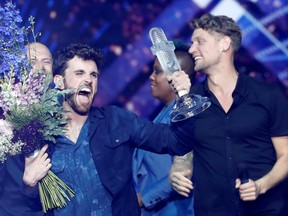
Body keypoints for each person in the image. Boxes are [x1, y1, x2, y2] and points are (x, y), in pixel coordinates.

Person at [23, 43, 195, 216]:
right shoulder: (42, 136)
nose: (88, 80)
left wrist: (183, 96)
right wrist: (30, 185)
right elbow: (39, 204)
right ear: (59, 82)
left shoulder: (117, 120)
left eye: (93, 75)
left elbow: (176, 142)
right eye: (79, 73)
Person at [169, 13, 288, 216]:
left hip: (266, 209)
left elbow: (286, 155)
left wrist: (261, 186)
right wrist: (177, 171)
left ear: (224, 44)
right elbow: (184, 151)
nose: (191, 49)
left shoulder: (268, 95)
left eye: (200, 41)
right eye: (191, 43)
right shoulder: (191, 100)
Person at [132, 40, 195, 216]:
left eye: (158, 72)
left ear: (177, 76)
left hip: (175, 210)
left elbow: (187, 169)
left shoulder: (184, 115)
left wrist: (143, 198)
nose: (151, 77)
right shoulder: (165, 113)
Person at [0, 42, 53, 216]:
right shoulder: (5, 112)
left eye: (47, 61)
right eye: (32, 62)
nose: (41, 67)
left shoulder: (63, 113)